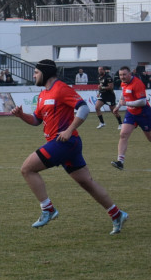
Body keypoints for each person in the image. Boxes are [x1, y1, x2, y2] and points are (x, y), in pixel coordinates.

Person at [10, 59, 128, 235]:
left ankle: (47, 209)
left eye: (36, 72)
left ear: (45, 73)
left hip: (64, 142)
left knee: (27, 169)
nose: (33, 75)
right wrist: (21, 115)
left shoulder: (61, 88)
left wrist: (69, 130)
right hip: (64, 144)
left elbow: (83, 109)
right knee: (86, 182)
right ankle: (116, 213)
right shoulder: (43, 95)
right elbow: (36, 120)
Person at [110, 66, 151, 170]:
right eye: (120, 75)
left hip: (143, 113)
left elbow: (142, 102)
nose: (122, 77)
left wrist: (126, 103)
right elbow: (123, 96)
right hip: (131, 113)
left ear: (130, 74)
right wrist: (118, 106)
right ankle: (120, 162)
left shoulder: (137, 84)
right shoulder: (123, 83)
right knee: (123, 134)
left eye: (124, 74)